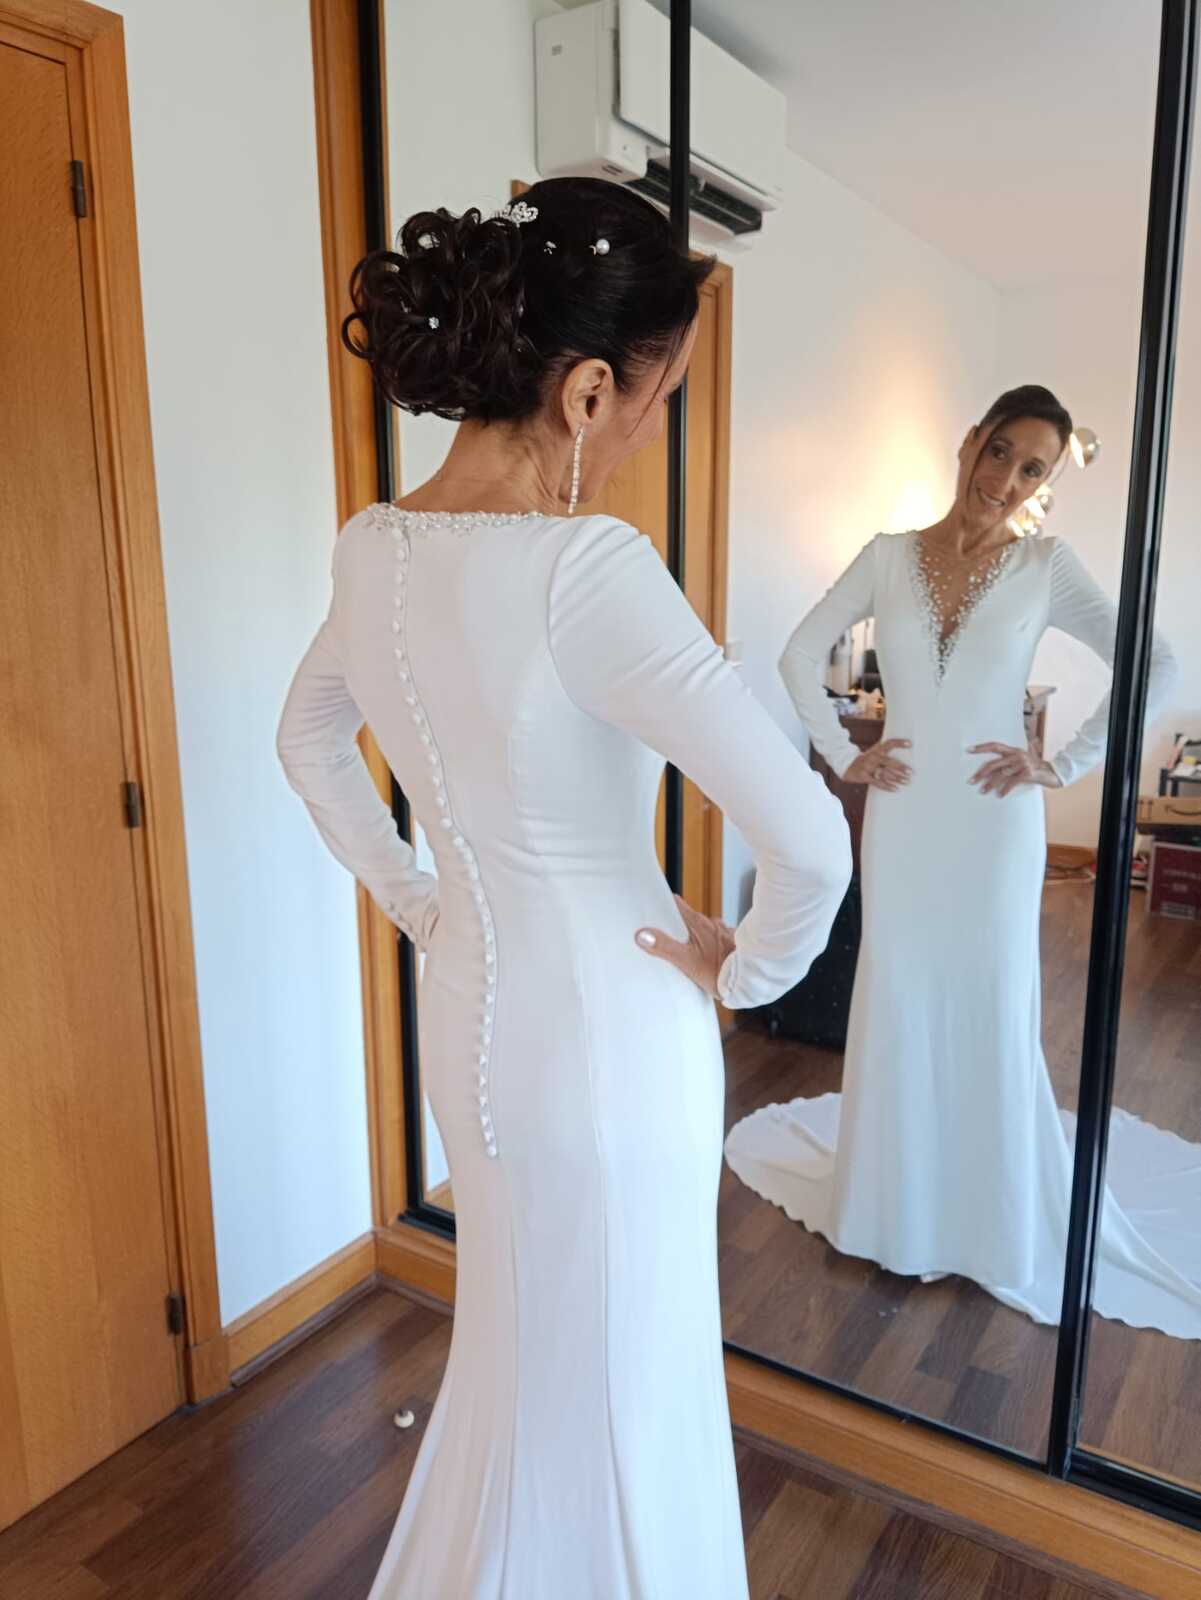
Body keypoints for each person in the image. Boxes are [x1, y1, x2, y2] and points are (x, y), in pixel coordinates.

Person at [275, 177, 851, 1599]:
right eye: (659, 396)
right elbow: (813, 840)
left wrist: (419, 901)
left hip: (472, 1021)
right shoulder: (586, 569)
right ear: (589, 390)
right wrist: (749, 971)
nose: (653, 426)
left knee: (525, 1352)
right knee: (623, 1377)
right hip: (610, 1041)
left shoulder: (372, 547)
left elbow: (305, 740)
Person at [724, 385, 1201, 1340]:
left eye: (1033, 470)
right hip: (903, 818)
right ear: (969, 443)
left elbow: (1151, 661)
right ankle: (890, 1206)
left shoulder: (1043, 565)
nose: (1007, 479)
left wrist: (1062, 763)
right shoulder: (886, 556)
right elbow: (796, 655)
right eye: (1001, 452)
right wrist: (842, 752)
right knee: (898, 992)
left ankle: (988, 1213)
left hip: (993, 824)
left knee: (987, 996)